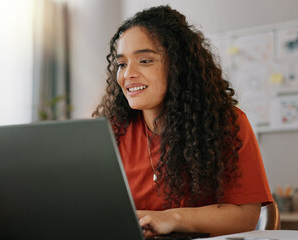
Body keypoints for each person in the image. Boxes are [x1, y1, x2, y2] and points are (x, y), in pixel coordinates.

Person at [92, 5, 273, 238]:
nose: (128, 74)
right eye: (122, 64)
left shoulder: (227, 124)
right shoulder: (112, 130)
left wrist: (173, 218)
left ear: (178, 66)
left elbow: (245, 217)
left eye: (145, 60)